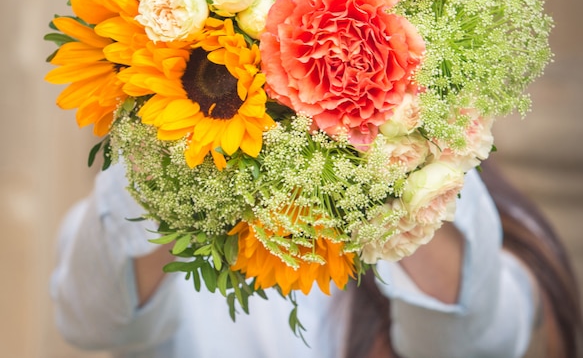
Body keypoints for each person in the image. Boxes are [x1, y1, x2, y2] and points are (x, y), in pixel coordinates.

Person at [50, 150, 581, 358]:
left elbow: (469, 340)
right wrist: (182, 127)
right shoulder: (155, 218)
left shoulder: (502, 231)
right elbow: (96, 317)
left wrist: (387, 144)